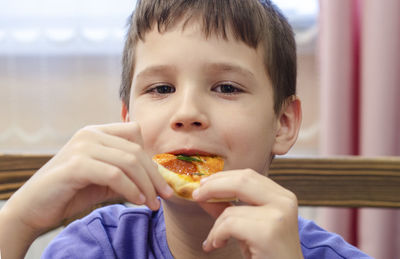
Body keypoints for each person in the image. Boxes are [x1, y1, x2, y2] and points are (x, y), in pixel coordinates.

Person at [0, 0, 371, 258]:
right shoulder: (98, 246)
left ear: (283, 123)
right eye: (161, 89)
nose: (188, 112)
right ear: (128, 123)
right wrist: (18, 220)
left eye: (226, 88)